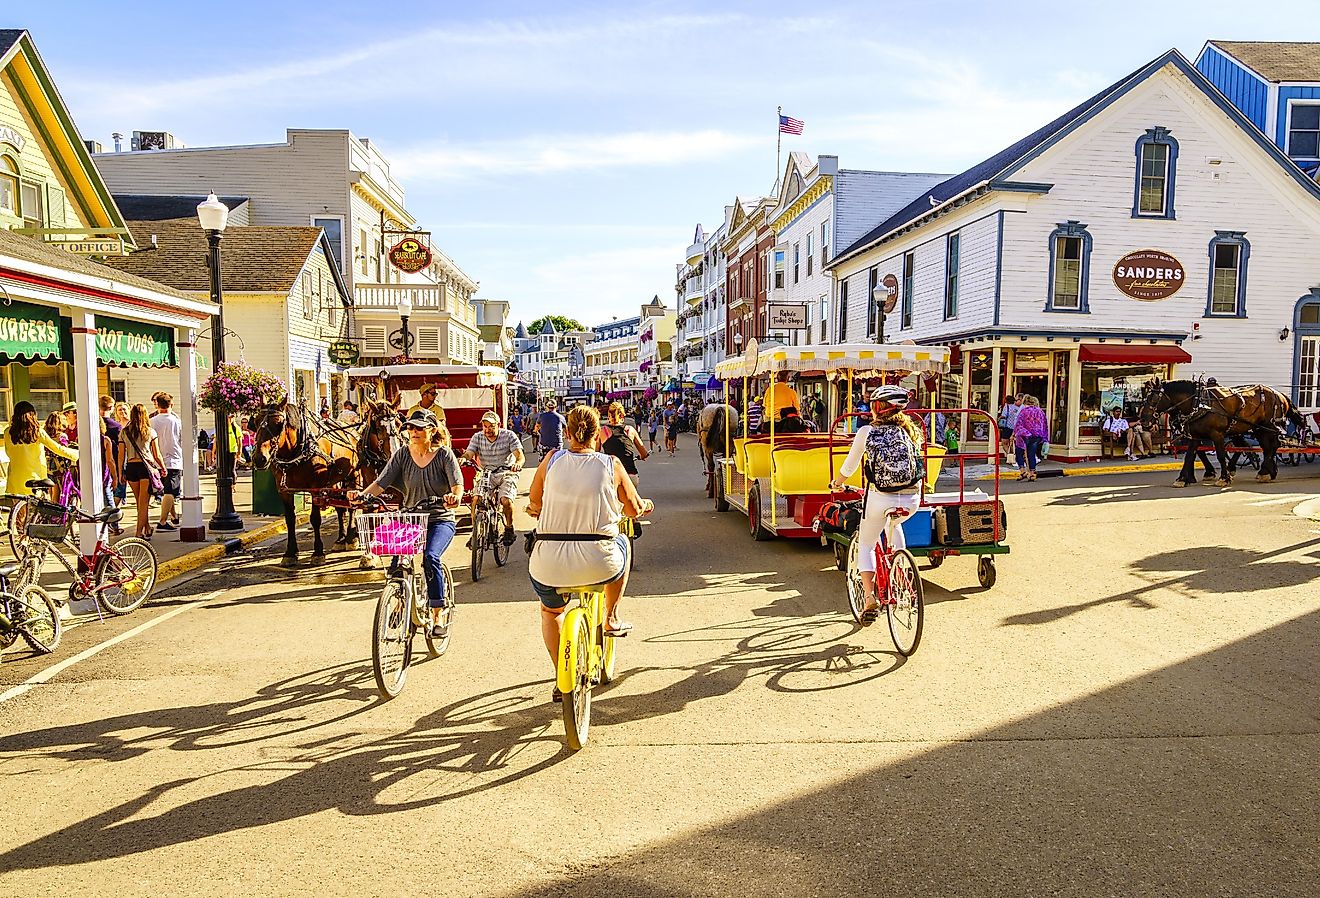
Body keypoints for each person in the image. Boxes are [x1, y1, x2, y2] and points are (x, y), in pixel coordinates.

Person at [526, 404, 653, 701]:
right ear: (598, 436)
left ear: (566, 433)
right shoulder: (612, 465)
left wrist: (542, 509)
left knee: (551, 611)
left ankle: (562, 677)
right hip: (600, 561)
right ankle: (610, 616)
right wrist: (644, 505)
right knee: (622, 542)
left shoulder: (550, 460)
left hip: (550, 562)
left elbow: (535, 504)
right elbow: (633, 509)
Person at [354, 409, 463, 639]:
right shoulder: (403, 454)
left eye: (419, 428)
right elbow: (380, 483)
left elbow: (457, 485)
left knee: (430, 558)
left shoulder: (444, 455)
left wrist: (454, 497)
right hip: (411, 518)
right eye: (411, 428)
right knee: (397, 564)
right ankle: (400, 602)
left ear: (431, 430)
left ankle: (437, 615)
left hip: (439, 518)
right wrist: (362, 496)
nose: (413, 432)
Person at [828, 386, 925, 626]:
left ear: (877, 408)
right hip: (912, 498)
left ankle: (870, 598)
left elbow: (849, 467)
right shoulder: (911, 431)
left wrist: (836, 484)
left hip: (881, 497)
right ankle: (901, 570)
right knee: (895, 523)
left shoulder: (866, 432)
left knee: (867, 544)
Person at [463, 410, 525, 546]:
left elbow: (520, 455)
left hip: (506, 472)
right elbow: (469, 453)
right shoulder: (477, 437)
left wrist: (517, 464)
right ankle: (475, 532)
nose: (488, 429)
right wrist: (463, 459)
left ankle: (509, 528)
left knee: (505, 500)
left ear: (499, 425)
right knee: (476, 498)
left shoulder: (509, 435)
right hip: (487, 473)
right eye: (485, 426)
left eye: (491, 426)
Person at [3, 401, 78, 495]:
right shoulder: (37, 432)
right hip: (35, 479)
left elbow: (8, 452)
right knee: (37, 507)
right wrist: (76, 454)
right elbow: (56, 448)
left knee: (19, 507)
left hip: (15, 479)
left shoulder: (7, 432)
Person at [119, 403, 167, 539]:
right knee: (144, 503)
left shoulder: (124, 432)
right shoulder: (150, 432)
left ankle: (147, 527)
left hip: (131, 467)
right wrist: (163, 468)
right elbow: (156, 454)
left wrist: (120, 472)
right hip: (146, 468)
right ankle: (138, 532)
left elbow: (121, 455)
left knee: (139, 502)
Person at [150, 392, 183, 532]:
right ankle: (162, 521)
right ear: (171, 404)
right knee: (170, 491)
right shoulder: (176, 421)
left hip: (156, 460)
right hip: (173, 459)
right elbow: (182, 439)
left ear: (157, 405)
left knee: (167, 492)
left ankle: (174, 517)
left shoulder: (152, 421)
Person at [598, 401, 649, 485]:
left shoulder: (603, 431)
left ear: (609, 415)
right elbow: (644, 453)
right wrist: (641, 456)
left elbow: (595, 453)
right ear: (622, 415)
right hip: (630, 475)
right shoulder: (630, 430)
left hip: (613, 475)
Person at [1013, 395, 1049, 481]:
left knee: (1019, 452)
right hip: (1037, 435)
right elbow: (1045, 425)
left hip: (1024, 435)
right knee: (1031, 454)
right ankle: (1032, 473)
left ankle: (1022, 471)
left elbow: (1018, 424)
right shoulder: (1040, 412)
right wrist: (1045, 438)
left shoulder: (1023, 411)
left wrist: (1016, 433)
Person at [998, 395, 1022, 464]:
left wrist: (998, 419)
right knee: (1013, 443)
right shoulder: (1018, 408)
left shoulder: (1007, 406)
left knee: (1004, 442)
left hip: (1008, 427)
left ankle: (1009, 456)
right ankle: (1014, 456)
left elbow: (1004, 415)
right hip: (1016, 428)